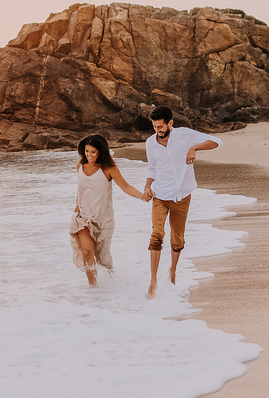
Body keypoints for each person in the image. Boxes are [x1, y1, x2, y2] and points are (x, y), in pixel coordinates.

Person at [142, 106, 221, 298]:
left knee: (177, 239)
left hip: (182, 196)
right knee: (156, 234)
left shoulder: (185, 135)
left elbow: (217, 142)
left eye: (160, 126)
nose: (157, 131)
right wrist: (147, 186)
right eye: (154, 127)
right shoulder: (151, 143)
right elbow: (152, 168)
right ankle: (153, 281)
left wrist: (194, 148)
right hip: (160, 196)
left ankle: (173, 270)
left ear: (170, 123)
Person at [70, 134, 147, 287]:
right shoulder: (80, 165)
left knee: (103, 259)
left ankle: (114, 281)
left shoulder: (109, 169)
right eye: (86, 151)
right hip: (83, 217)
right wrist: (77, 207)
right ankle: (94, 287)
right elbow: (81, 188)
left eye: (93, 152)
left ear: (101, 151)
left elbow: (125, 187)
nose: (89, 155)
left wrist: (142, 196)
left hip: (103, 219)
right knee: (87, 253)